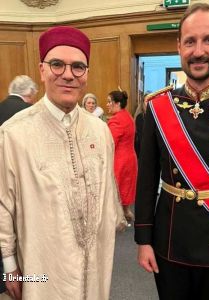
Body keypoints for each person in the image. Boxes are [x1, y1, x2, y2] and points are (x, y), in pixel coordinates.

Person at [134, 3, 209, 300]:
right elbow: (146, 179)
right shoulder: (158, 107)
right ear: (179, 46)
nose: (199, 51)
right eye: (190, 41)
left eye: (208, 39)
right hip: (171, 240)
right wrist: (143, 240)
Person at [0, 26, 124, 300]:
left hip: (95, 265)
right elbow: (3, 204)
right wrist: (10, 268)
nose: (68, 74)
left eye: (78, 67)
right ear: (42, 70)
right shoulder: (15, 133)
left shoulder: (100, 131)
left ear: (86, 75)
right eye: (57, 64)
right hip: (40, 270)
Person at [107, 90, 137, 222]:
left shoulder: (116, 120)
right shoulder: (127, 116)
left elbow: (109, 143)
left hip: (119, 159)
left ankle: (117, 218)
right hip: (130, 157)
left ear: (117, 103)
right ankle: (126, 212)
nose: (107, 105)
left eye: (109, 102)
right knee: (126, 186)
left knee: (116, 187)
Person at [134, 93, 148, 159]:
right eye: (147, 101)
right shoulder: (140, 117)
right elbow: (142, 137)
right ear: (143, 103)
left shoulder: (156, 116)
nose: (149, 103)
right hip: (142, 150)